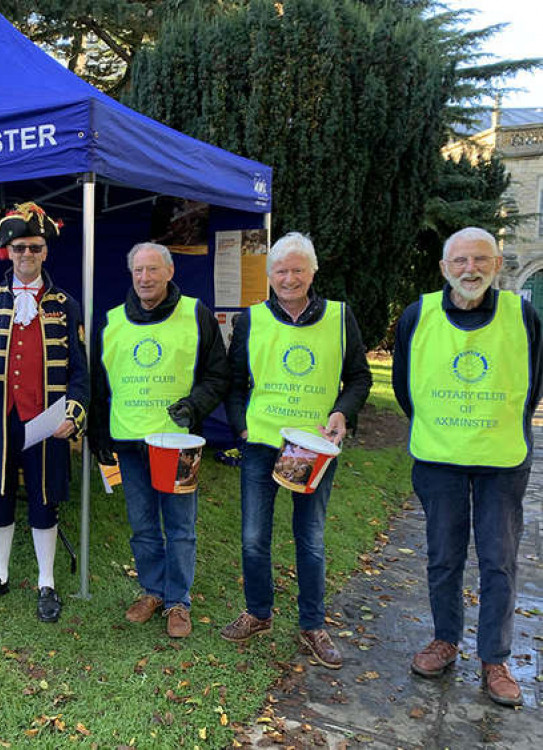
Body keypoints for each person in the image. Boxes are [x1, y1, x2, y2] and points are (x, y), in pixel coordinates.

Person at [392, 227, 542, 706]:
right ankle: (445, 640)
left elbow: (532, 383)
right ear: (443, 268)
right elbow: (404, 385)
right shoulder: (418, 315)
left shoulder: (523, 316)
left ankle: (495, 658)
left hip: (501, 460)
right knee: (443, 557)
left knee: (498, 561)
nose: (470, 269)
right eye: (459, 261)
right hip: (439, 458)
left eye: (480, 259)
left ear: (497, 265)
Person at [221, 232, 371, 668]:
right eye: (281, 270)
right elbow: (234, 383)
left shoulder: (341, 318)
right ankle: (258, 612)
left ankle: (312, 625)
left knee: (310, 538)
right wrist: (241, 427)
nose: (289, 278)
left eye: (297, 269)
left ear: (313, 271)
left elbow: (360, 378)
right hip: (264, 444)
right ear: (269, 275)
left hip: (313, 449)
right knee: (253, 537)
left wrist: (343, 412)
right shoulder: (251, 320)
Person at [89, 242, 230, 638]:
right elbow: (99, 385)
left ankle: (178, 601)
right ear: (131, 275)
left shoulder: (196, 314)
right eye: (139, 271)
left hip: (178, 444)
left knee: (181, 525)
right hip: (130, 443)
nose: (145, 279)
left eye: (153, 270)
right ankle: (152, 591)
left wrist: (195, 405)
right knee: (143, 524)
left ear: (169, 273)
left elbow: (218, 375)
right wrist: (100, 434)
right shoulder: (113, 321)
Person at [0, 202, 88, 623]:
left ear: (45, 251)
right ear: (8, 252)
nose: (27, 255)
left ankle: (46, 581)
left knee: (44, 499)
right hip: (1, 417)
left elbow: (81, 372)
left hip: (48, 420)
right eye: (19, 248)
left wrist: (73, 413)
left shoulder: (66, 305)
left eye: (34, 247)